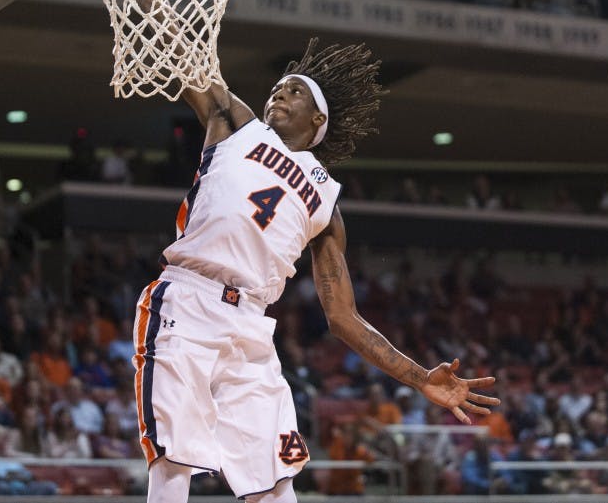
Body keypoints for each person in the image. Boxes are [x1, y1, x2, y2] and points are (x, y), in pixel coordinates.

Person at [126, 29, 499, 502]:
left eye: (295, 90)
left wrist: (420, 377)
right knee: (174, 455)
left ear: (317, 118)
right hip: (189, 297)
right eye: (277, 88)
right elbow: (190, 62)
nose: (279, 92)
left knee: (275, 475)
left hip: (250, 325)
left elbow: (343, 317)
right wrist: (156, 0)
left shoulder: (326, 200)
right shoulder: (239, 127)